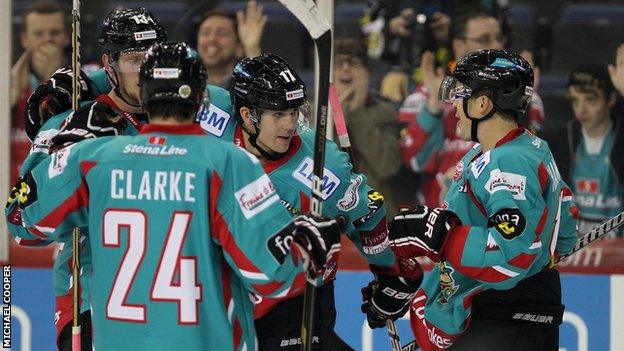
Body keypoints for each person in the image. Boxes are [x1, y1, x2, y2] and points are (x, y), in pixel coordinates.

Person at [7, 40, 341, 351]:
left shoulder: (93, 157)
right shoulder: (229, 164)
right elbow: (271, 276)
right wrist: (309, 247)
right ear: (201, 98)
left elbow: (20, 220)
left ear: (145, 95)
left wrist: (58, 146)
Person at [198, 52, 423, 350]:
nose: (290, 125)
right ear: (246, 115)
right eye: (278, 114)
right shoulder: (210, 113)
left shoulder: (322, 167)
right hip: (225, 288)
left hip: (297, 299)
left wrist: (390, 273)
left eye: (294, 111)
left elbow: (367, 213)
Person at [362, 49, 579, 350]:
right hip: (509, 312)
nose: (453, 104)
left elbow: (510, 253)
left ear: (482, 103)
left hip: (505, 318)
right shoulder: (523, 149)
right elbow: (566, 232)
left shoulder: (507, 162)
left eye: (460, 93)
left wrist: (443, 239)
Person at [5, 7, 167, 350]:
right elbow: (18, 219)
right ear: (109, 63)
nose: (147, 72)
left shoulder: (190, 115)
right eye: (135, 60)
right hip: (95, 302)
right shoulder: (72, 120)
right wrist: (71, 158)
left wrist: (87, 79)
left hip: (175, 305)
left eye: (155, 58)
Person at [397, 7, 545, 208]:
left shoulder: (527, 97)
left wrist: (521, 101)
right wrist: (433, 106)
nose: (496, 46)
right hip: (437, 223)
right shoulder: (425, 95)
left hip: (499, 216)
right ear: (459, 46)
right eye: (484, 40)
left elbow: (529, 160)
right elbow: (414, 161)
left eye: (499, 38)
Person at [332, 37, 404, 215]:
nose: (346, 68)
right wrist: (335, 115)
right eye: (338, 63)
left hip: (374, 215)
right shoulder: (314, 113)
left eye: (354, 63)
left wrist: (356, 111)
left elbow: (387, 166)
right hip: (330, 214)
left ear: (368, 73)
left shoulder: (385, 112)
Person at [555, 64, 624, 237]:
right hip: (574, 255)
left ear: (611, 99)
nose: (581, 109)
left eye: (591, 99)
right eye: (575, 100)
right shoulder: (562, 140)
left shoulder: (620, 138)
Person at [10, 1, 70, 184]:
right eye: (38, 34)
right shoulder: (10, 82)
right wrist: (9, 100)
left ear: (67, 37)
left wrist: (54, 82)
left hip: (60, 188)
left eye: (55, 33)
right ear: (24, 39)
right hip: (12, 193)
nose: (47, 40)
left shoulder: (88, 79)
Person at [196, 1, 266, 88]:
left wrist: (251, 50)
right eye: (205, 33)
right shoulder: (186, 84)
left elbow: (262, 95)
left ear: (239, 47)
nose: (212, 38)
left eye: (222, 33)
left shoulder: (245, 87)